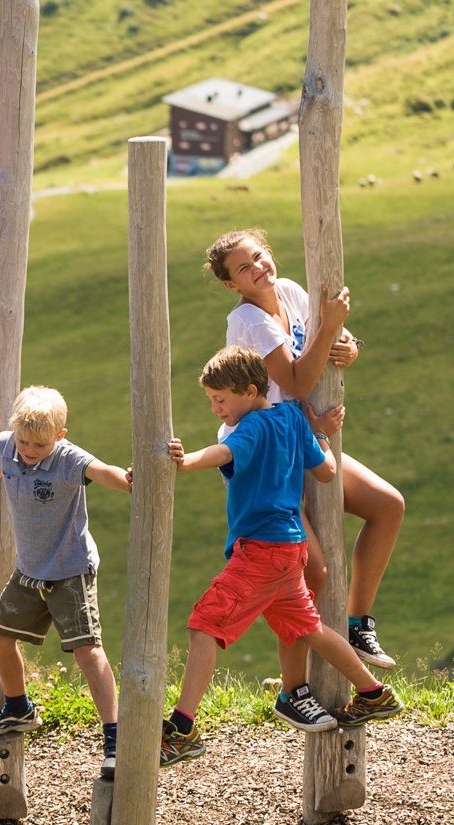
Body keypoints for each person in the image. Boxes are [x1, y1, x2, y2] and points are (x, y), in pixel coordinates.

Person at [160, 348, 402, 766]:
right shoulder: (292, 419)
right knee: (310, 628)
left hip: (261, 552)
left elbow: (221, 454)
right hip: (292, 550)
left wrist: (184, 463)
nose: (215, 408)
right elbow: (326, 472)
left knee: (204, 626)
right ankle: (372, 693)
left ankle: (182, 728)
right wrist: (321, 433)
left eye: (220, 400)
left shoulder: (251, 428)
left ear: (250, 391)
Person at [206, 228, 406, 688]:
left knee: (386, 505)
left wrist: (348, 346)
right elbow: (295, 383)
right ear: (231, 284)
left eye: (258, 256)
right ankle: (294, 686)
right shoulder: (248, 323)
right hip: (264, 456)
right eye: (243, 268)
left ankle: (358, 626)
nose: (258, 268)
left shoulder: (292, 292)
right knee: (309, 572)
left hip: (302, 437)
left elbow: (332, 348)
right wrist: (331, 327)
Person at [0, 386, 132, 776]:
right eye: (23, 441)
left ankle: (115, 734)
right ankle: (19, 708)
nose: (27, 450)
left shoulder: (68, 459)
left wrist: (128, 480)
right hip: (30, 570)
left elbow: (101, 471)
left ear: (61, 436)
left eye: (39, 445)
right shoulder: (7, 445)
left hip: (70, 569)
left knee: (87, 651)